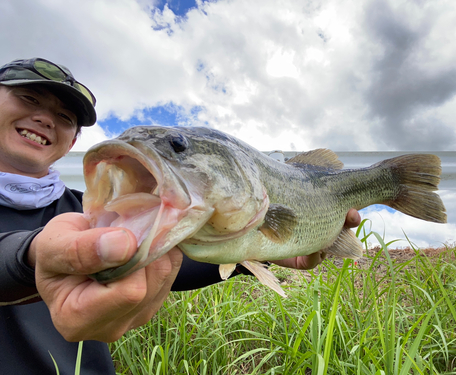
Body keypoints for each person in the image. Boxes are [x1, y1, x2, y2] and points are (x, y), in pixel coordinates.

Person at [0, 57, 361, 374]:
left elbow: (177, 261)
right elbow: (23, 251)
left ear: (73, 140)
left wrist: (253, 249)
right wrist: (31, 257)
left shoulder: (95, 213)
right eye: (29, 98)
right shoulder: (89, 222)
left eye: (64, 117)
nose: (45, 119)